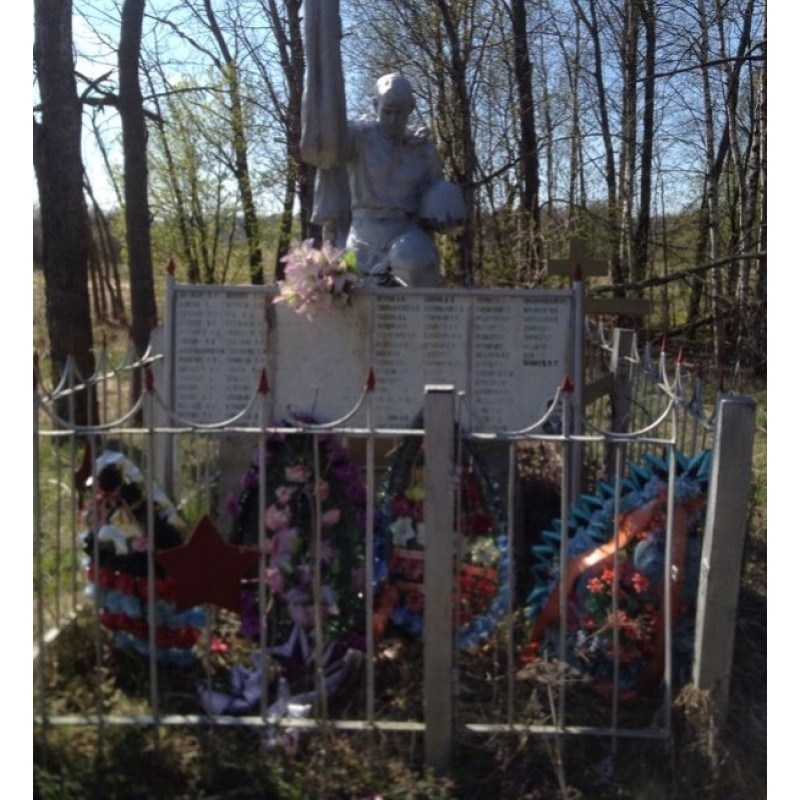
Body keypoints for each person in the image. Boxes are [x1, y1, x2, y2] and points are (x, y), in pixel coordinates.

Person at [301, 20, 464, 287]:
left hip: (406, 233)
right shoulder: (358, 138)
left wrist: (446, 208)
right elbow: (326, 143)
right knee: (352, 291)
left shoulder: (423, 150)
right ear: (376, 105)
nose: (393, 119)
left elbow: (437, 204)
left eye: (400, 112)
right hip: (362, 234)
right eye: (387, 111)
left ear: (411, 108)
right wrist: (323, 62)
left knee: (417, 261)